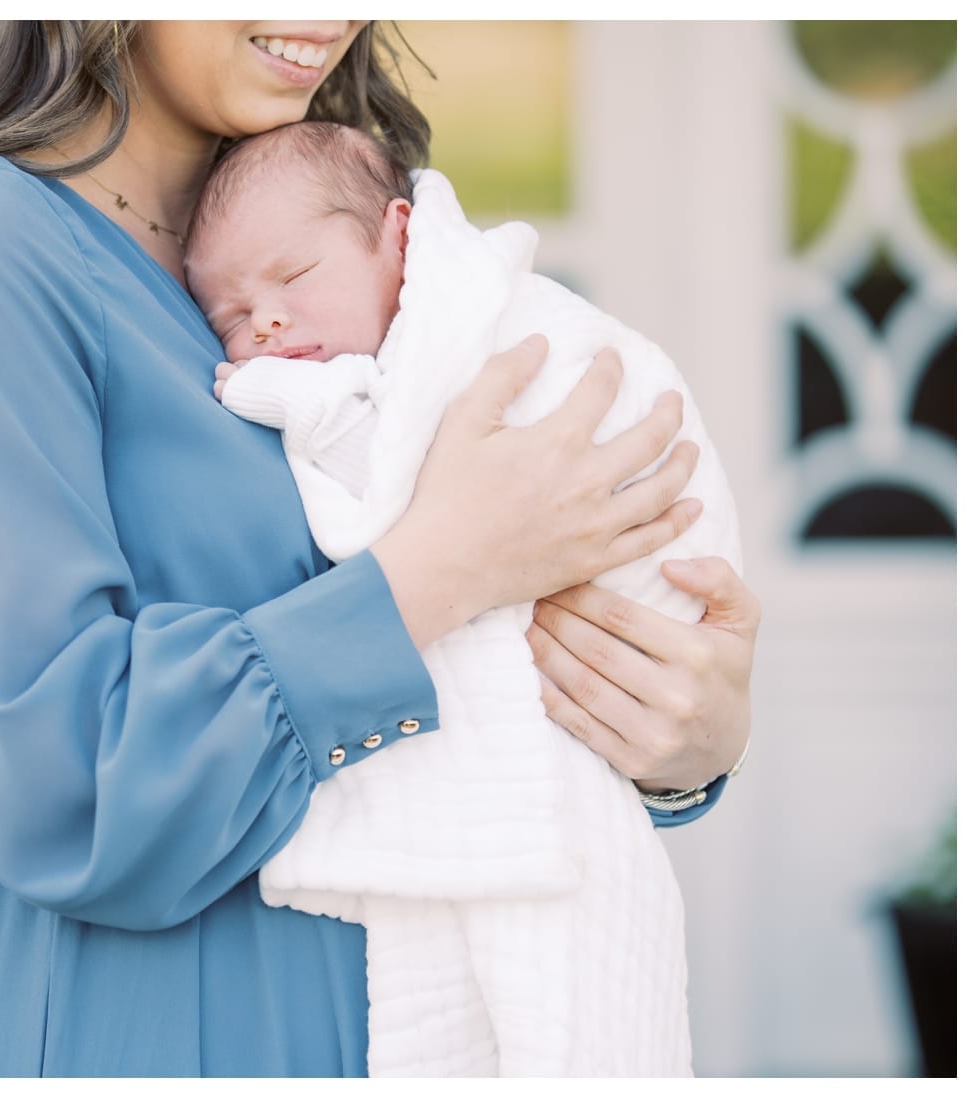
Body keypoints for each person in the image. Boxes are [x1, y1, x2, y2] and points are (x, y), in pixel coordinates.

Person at [0, 21, 760, 1078]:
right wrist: (444, 565)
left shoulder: (320, 223)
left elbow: (482, 672)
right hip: (137, 1028)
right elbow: (59, 776)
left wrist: (676, 734)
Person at [181, 120, 743, 1076]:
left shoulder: (487, 330)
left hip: (626, 635)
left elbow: (384, 519)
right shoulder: (349, 359)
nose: (264, 325)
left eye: (293, 278)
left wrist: (699, 746)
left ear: (399, 238)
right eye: (230, 316)